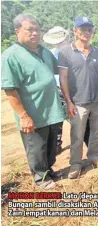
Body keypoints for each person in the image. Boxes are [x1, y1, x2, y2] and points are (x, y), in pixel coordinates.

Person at [2, 14, 66, 189]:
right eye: (30, 29)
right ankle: (41, 178)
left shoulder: (44, 51)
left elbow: (59, 70)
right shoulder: (11, 56)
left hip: (52, 109)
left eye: (37, 29)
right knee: (36, 148)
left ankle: (49, 170)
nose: (35, 33)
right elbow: (10, 89)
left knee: (52, 144)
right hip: (33, 113)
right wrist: (23, 116)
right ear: (17, 31)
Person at [58, 16, 98, 179]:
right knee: (77, 134)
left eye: (89, 29)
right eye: (82, 29)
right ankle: (76, 163)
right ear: (75, 31)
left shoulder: (97, 52)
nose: (86, 32)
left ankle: (94, 156)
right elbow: (63, 78)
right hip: (78, 102)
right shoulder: (65, 52)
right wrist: (68, 101)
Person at [43, 26, 70, 154]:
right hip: (57, 90)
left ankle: (85, 141)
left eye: (61, 41)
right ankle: (57, 144)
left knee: (77, 118)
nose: (59, 44)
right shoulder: (50, 53)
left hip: (73, 90)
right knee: (57, 119)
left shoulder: (74, 51)